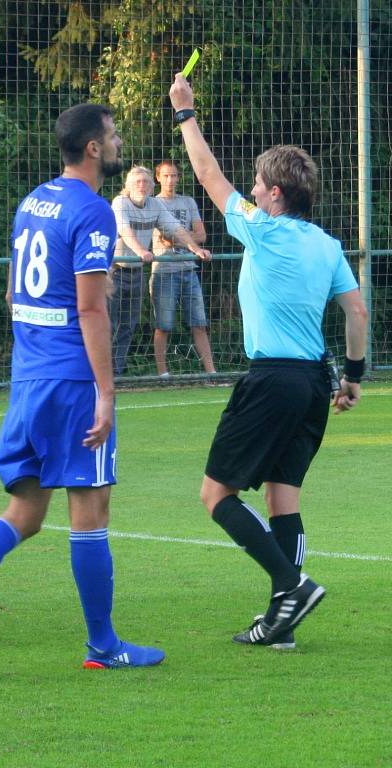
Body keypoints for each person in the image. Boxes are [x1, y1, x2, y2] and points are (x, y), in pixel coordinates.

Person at [0, 104, 165, 675]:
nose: (120, 139)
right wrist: (105, 390)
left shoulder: (33, 201)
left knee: (25, 509)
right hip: (72, 380)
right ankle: (103, 645)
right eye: (113, 133)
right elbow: (92, 308)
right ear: (94, 149)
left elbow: (11, 294)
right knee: (91, 509)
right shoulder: (94, 212)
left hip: (30, 376)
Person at [169, 74, 368, 648]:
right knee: (284, 498)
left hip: (273, 378)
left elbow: (206, 174)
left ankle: (291, 584)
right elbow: (357, 314)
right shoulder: (328, 245)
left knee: (216, 495)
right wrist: (352, 378)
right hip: (313, 383)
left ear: (277, 194)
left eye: (258, 184)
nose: (252, 191)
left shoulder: (264, 231)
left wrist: (186, 112)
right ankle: (281, 621)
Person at [109, 165, 211, 376]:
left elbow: (175, 229)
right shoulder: (120, 202)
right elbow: (124, 230)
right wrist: (140, 250)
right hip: (113, 272)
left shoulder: (154, 205)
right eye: (137, 181)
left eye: (146, 182)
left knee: (128, 325)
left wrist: (196, 249)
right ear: (127, 185)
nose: (142, 185)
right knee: (107, 324)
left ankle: (115, 375)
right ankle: (98, 375)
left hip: (136, 272)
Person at [151, 160, 216, 377]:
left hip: (189, 269)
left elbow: (202, 235)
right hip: (164, 271)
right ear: (158, 178)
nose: (171, 180)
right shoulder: (152, 203)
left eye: (175, 175)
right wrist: (187, 238)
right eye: (166, 176)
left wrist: (176, 239)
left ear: (179, 178)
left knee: (199, 323)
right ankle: (163, 375)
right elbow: (187, 237)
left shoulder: (188, 202)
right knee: (164, 325)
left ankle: (212, 373)